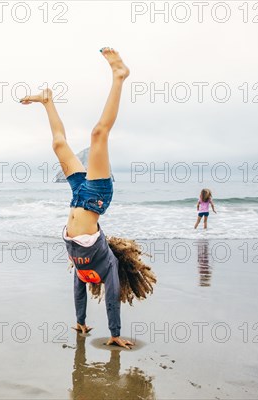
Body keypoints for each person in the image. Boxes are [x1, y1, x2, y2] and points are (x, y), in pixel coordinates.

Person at [20, 47, 156, 349]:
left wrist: (80, 322)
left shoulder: (81, 271)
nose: (94, 284)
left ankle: (47, 100)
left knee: (57, 144)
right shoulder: (106, 265)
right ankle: (120, 76)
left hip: (77, 196)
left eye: (92, 282)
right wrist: (115, 333)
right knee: (98, 134)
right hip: (96, 197)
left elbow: (78, 295)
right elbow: (111, 301)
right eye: (101, 284)